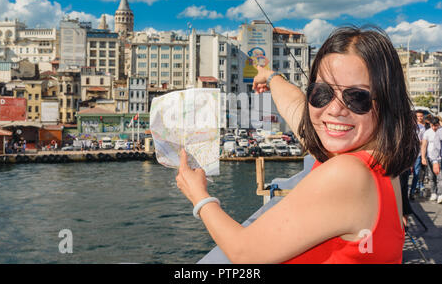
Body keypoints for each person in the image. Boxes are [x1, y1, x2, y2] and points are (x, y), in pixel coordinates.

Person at [175, 26, 419, 264]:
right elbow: (295, 108)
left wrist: (198, 195)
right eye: (321, 93)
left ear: (387, 102)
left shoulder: (347, 173)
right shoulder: (378, 162)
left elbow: (244, 253)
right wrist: (271, 77)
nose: (334, 110)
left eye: (356, 97)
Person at [422, 117, 442, 204]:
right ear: (430, 124)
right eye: (433, 126)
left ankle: (440, 194)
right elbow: (424, 145)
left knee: (440, 177)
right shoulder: (427, 132)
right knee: (431, 177)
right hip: (429, 157)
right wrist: (423, 157)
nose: (434, 127)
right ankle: (433, 193)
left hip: (439, 158)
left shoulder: (440, 132)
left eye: (436, 125)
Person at [409, 110, 426, 200]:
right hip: (407, 155)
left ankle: (412, 192)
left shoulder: (421, 128)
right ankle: (403, 193)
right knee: (406, 173)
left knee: (416, 173)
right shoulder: (407, 127)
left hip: (417, 154)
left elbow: (423, 142)